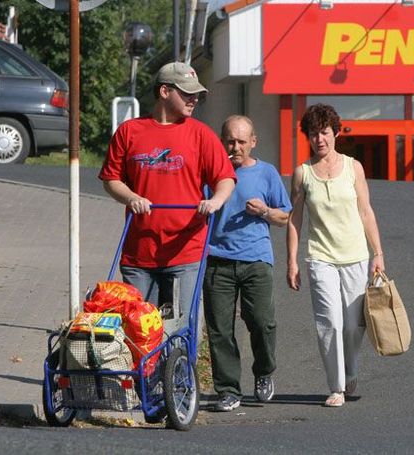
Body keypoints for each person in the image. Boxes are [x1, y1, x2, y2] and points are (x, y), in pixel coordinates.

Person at [99, 61, 236, 331]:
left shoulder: (200, 135)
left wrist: (216, 201)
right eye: (186, 93)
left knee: (181, 330)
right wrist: (131, 198)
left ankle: (180, 372)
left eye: (196, 94)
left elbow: (225, 178)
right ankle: (144, 374)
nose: (194, 99)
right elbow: (111, 179)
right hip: (139, 253)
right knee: (137, 331)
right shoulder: (129, 132)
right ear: (164, 91)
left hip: (186, 252)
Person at [286, 103, 385, 408]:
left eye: (325, 132)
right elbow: (295, 218)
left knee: (354, 324)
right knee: (329, 321)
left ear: (336, 133)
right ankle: (336, 386)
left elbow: (366, 211)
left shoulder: (354, 167)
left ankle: (351, 369)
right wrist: (292, 260)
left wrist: (377, 254)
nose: (320, 139)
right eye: (314, 134)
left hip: (355, 255)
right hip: (320, 257)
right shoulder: (302, 174)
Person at [203, 115, 292, 412]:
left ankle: (264, 372)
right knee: (219, 329)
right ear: (222, 141)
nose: (236, 147)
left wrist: (265, 211)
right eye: (230, 140)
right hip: (218, 260)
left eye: (242, 141)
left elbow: (286, 216)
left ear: (253, 142)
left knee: (263, 323)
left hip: (256, 260)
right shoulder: (212, 173)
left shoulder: (267, 173)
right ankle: (228, 389)